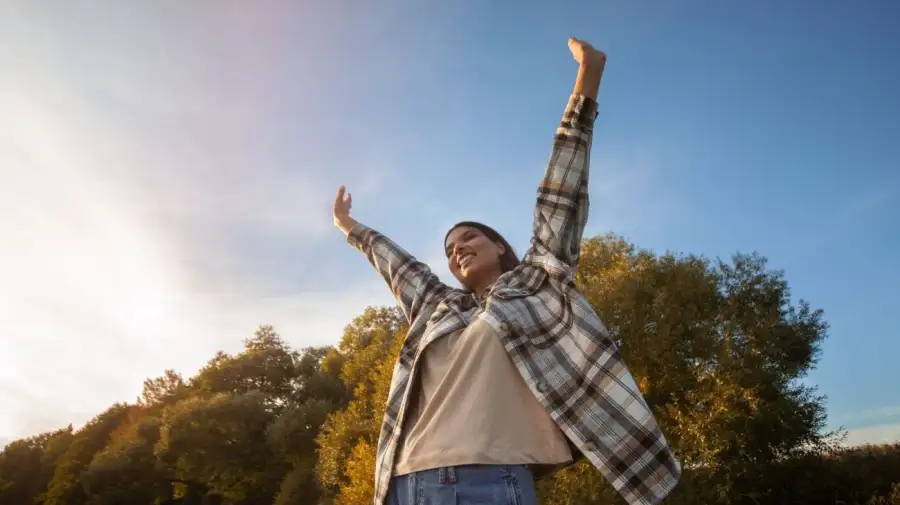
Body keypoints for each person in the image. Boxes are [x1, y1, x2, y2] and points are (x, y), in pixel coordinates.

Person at [333, 38, 680, 505]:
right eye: (450, 250)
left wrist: (587, 82)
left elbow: (560, 191)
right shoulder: (440, 308)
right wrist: (348, 226)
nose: (457, 252)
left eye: (469, 239)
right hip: (402, 482)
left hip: (486, 481)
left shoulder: (538, 279)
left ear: (499, 245)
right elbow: (398, 265)